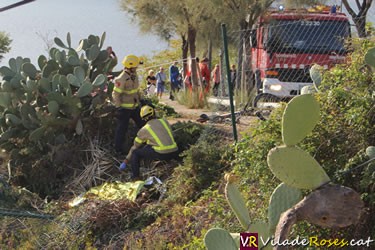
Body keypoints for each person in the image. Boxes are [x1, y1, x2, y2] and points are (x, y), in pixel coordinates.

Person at [119, 105, 179, 180]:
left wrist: (126, 160)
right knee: (148, 146)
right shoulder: (164, 121)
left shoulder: (144, 129)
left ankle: (135, 177)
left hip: (162, 154)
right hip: (175, 151)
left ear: (143, 118)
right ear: (154, 113)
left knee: (136, 153)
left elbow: (135, 147)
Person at [113, 54, 146, 154]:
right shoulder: (121, 79)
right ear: (130, 66)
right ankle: (118, 150)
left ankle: (147, 144)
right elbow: (116, 94)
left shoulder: (134, 76)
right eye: (135, 66)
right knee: (121, 130)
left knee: (143, 125)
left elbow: (135, 90)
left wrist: (141, 100)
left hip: (135, 107)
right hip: (125, 109)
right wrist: (119, 107)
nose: (136, 67)